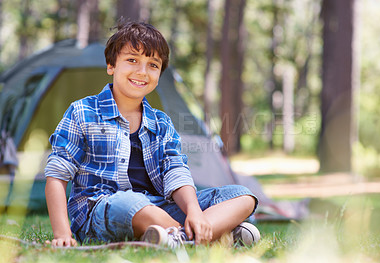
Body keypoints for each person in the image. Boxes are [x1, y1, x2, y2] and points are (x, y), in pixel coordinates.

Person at [45, 20, 259, 248]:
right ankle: (210, 235)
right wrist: (62, 233)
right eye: (132, 60)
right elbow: (57, 176)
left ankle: (183, 234)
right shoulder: (82, 112)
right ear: (111, 66)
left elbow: (176, 172)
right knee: (130, 203)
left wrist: (195, 212)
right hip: (103, 210)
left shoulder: (161, 123)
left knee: (243, 196)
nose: (142, 71)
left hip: (158, 207)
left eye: (153, 65)